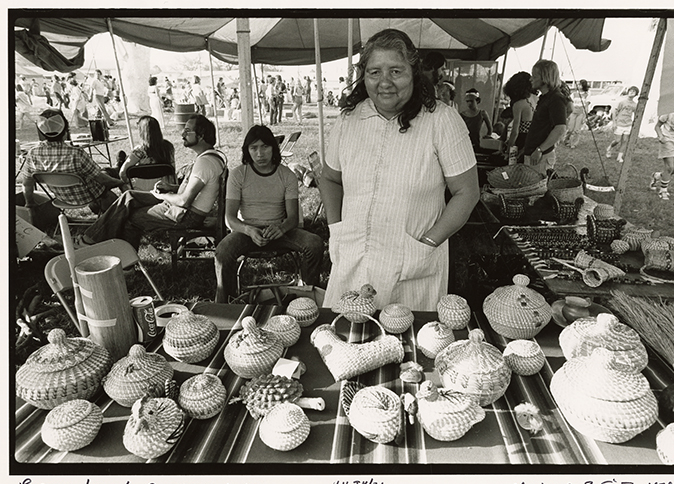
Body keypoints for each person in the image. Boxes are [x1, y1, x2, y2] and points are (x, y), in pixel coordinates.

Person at [318, 28, 479, 311]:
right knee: (346, 341)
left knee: (408, 345)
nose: (385, 83)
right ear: (363, 74)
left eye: (396, 71)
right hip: (352, 257)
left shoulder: (441, 121)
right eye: (374, 72)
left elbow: (467, 192)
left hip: (412, 263)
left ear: (414, 72)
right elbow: (331, 178)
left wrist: (428, 243)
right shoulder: (349, 120)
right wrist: (336, 229)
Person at [77, 114, 225, 250]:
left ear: (201, 136)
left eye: (187, 131)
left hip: (185, 214)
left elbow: (184, 201)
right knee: (129, 196)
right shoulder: (211, 157)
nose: (182, 134)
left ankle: (122, 261)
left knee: (131, 218)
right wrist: (170, 187)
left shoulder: (205, 163)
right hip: (182, 208)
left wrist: (162, 196)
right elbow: (197, 189)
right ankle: (92, 238)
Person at [214, 125, 324, 302]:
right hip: (247, 231)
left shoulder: (286, 175)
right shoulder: (238, 174)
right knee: (223, 251)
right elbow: (230, 218)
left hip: (279, 229)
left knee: (314, 243)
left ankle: (307, 297)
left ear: (274, 148)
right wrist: (249, 230)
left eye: (265, 147)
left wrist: (281, 228)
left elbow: (293, 217)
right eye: (254, 148)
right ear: (247, 151)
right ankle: (226, 302)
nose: (260, 154)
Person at [20, 108, 124, 217]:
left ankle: (116, 168)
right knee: (105, 176)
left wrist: (30, 204)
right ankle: (117, 173)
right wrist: (121, 182)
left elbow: (27, 183)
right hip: (89, 195)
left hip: (62, 198)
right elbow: (102, 180)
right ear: (65, 130)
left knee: (105, 172)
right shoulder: (76, 153)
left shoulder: (33, 154)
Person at [523, 59, 569, 174]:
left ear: (545, 78)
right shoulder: (545, 97)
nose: (531, 79)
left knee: (537, 190)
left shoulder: (556, 98)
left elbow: (560, 128)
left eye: (534, 76)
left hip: (541, 156)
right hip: (534, 154)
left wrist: (540, 149)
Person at [118, 115, 176, 189]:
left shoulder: (140, 151)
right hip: (164, 189)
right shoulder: (168, 148)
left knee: (120, 184)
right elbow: (172, 169)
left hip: (141, 192)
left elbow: (122, 172)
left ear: (142, 132)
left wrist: (128, 182)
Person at [502, 71, 538, 162]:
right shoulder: (537, 99)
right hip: (535, 139)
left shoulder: (519, 104)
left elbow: (515, 131)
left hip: (522, 140)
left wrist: (508, 151)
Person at [649, 111, 674, 200]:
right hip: (667, 140)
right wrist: (660, 136)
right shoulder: (668, 112)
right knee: (669, 167)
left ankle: (657, 175)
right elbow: (657, 126)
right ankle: (663, 191)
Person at [606, 86, 639, 163]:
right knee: (617, 140)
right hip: (619, 123)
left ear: (636, 95)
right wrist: (614, 122)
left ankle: (619, 157)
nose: (631, 93)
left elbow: (636, 113)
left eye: (633, 92)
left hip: (628, 124)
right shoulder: (622, 102)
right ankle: (609, 148)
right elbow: (615, 112)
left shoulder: (635, 105)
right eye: (630, 91)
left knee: (624, 141)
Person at [460, 88, 493, 152]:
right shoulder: (462, 115)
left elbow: (490, 128)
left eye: (471, 101)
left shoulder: (482, 113)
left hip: (477, 144)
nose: (469, 103)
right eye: (467, 101)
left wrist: (487, 137)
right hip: (464, 144)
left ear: (477, 101)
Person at [564, 79, 590, 148]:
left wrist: (585, 115)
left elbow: (586, 105)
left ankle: (573, 144)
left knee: (577, 130)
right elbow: (570, 103)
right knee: (570, 129)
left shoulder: (587, 94)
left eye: (580, 84)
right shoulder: (574, 94)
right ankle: (566, 140)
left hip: (581, 112)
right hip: (573, 111)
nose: (578, 86)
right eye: (578, 84)